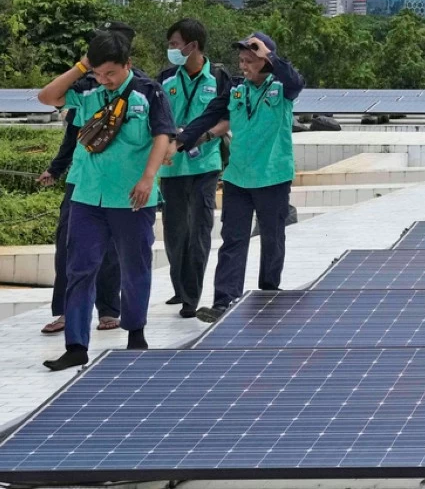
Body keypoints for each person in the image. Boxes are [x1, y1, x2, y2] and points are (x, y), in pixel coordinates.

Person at [37, 30, 174, 371]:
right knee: (79, 270)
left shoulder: (148, 92)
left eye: (110, 72)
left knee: (134, 267)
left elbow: (162, 135)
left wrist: (148, 178)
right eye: (98, 73)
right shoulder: (88, 90)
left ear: (128, 64)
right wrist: (82, 66)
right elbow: (46, 96)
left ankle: (136, 334)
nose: (105, 80)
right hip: (87, 196)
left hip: (131, 198)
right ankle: (76, 346)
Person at [174, 32, 304, 323]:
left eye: (250, 60)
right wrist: (182, 140)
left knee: (272, 238)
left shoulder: (282, 87)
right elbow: (209, 116)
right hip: (238, 177)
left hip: (273, 176)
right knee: (233, 239)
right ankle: (224, 301)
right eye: (241, 60)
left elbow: (296, 82)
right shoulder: (235, 89)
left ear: (265, 61)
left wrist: (268, 53)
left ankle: (269, 291)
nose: (243, 66)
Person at [38, 21, 140, 336]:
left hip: (118, 183)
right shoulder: (85, 87)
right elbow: (70, 130)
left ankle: (109, 309)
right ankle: (65, 311)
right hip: (82, 181)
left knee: (110, 249)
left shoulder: (141, 88)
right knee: (68, 245)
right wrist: (56, 168)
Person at [157, 19, 231, 319]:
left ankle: (191, 297)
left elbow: (228, 118)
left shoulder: (219, 78)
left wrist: (206, 135)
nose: (171, 49)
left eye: (175, 44)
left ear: (193, 46)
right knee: (175, 234)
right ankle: (180, 287)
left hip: (205, 164)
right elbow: (156, 118)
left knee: (199, 230)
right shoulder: (165, 79)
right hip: (171, 166)